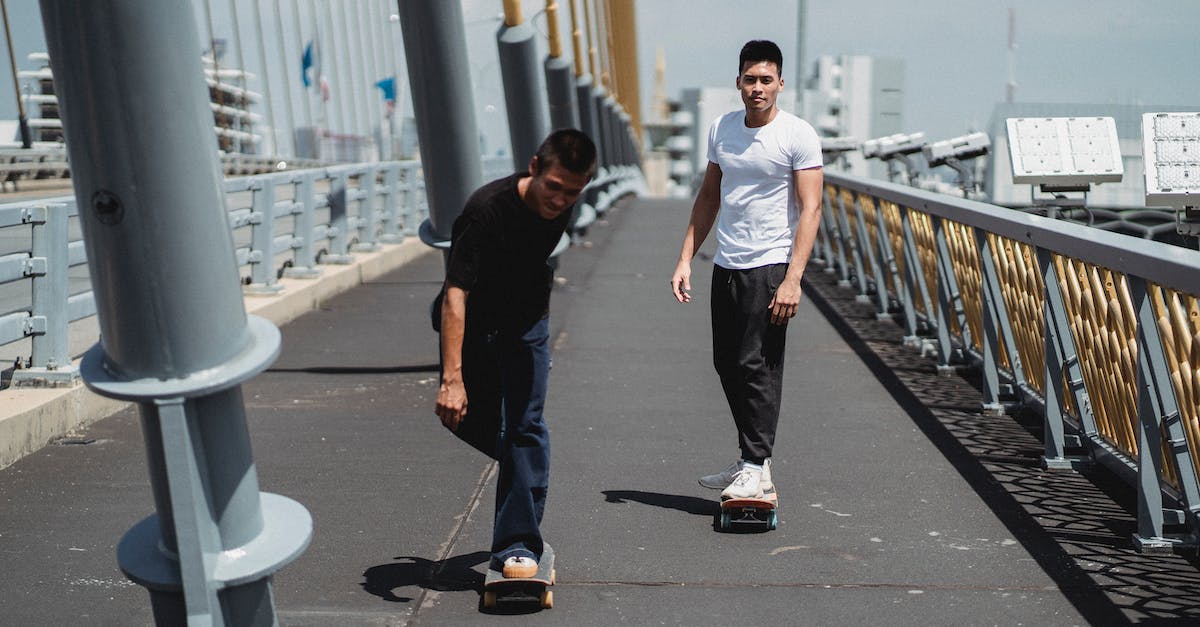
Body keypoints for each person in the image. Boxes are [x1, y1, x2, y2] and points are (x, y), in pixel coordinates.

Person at [435, 128, 596, 579]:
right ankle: (525, 472)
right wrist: (452, 379)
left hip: (526, 322)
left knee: (526, 426)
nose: (561, 201)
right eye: (554, 188)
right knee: (468, 419)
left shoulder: (565, 199)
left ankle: (517, 544)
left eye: (573, 192)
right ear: (533, 169)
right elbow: (455, 294)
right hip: (476, 323)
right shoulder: (485, 210)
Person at [670, 40, 824, 502]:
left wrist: (794, 278)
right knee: (726, 363)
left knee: (756, 364)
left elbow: (811, 207)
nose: (758, 88)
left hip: (771, 264)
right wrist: (684, 258)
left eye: (766, 80)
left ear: (780, 84)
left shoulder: (797, 135)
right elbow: (709, 196)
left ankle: (756, 465)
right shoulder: (722, 128)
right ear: (738, 82)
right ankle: (751, 461)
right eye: (750, 79)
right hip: (728, 262)